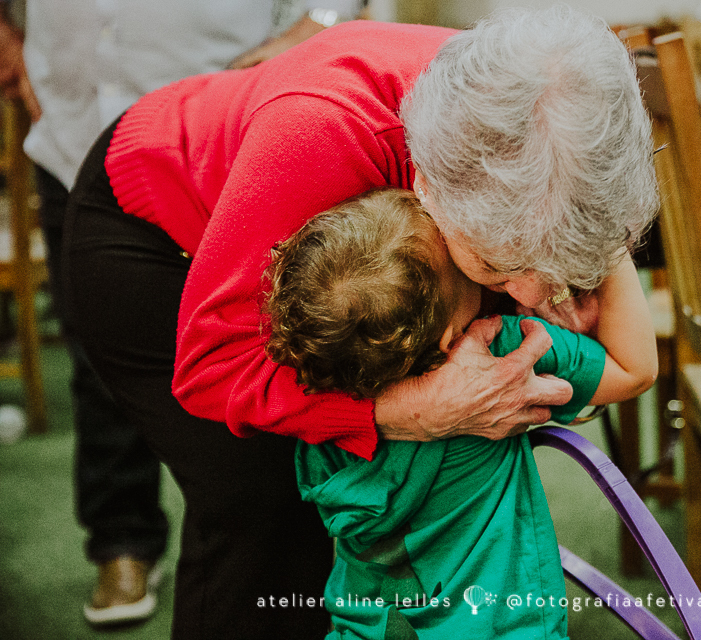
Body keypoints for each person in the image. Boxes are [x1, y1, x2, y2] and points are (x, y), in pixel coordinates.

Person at [61, 6, 659, 638]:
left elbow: (584, 262)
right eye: (500, 264)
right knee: (264, 509)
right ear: (427, 185)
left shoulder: (541, 117)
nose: (535, 294)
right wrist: (403, 411)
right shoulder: (327, 130)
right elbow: (211, 367)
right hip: (148, 237)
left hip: (310, 210)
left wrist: (567, 254)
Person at [0, 0, 365, 627]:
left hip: (219, 131)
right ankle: (121, 539)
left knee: (264, 361)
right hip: (70, 119)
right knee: (99, 358)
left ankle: (285, 550)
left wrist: (323, 23)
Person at [266, 188, 656, 639]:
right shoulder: (500, 350)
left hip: (366, 628)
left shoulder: (320, 398)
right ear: (448, 337)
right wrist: (601, 227)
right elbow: (635, 369)